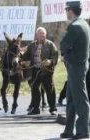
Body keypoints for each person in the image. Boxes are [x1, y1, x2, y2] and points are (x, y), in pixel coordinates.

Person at [60, 1, 90, 139]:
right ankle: (68, 129)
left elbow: (63, 45)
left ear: (70, 10)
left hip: (76, 67)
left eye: (66, 10)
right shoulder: (84, 24)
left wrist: (66, 54)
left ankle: (83, 130)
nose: (66, 12)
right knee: (71, 99)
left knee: (80, 100)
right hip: (78, 66)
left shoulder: (75, 26)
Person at [22, 27, 58, 115]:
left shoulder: (50, 44)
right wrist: (23, 61)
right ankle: (35, 109)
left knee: (50, 89)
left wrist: (50, 61)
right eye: (40, 34)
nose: (42, 35)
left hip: (46, 70)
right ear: (36, 35)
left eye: (44, 34)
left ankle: (53, 108)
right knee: (34, 89)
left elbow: (55, 56)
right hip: (34, 70)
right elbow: (25, 56)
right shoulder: (32, 45)